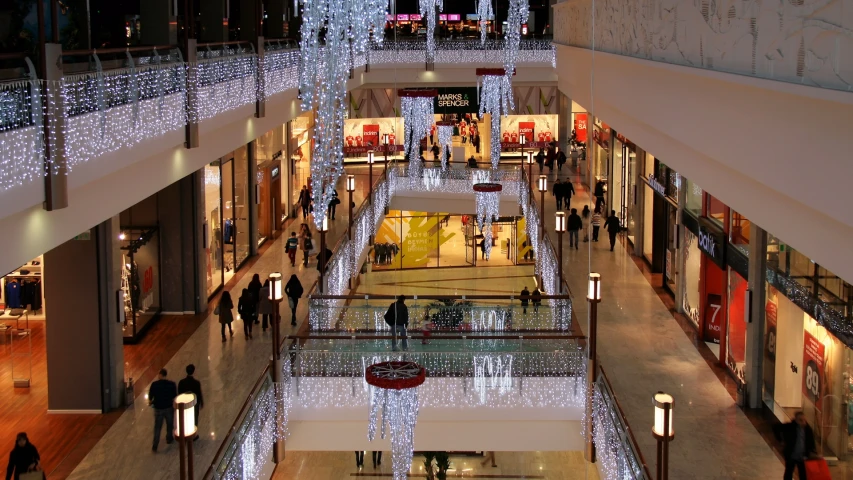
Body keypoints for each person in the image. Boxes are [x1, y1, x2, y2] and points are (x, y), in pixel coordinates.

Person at [774, 412, 817, 480]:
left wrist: (813, 452)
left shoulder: (808, 429)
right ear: (796, 420)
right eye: (800, 420)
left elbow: (811, 442)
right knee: (789, 473)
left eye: (804, 420)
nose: (803, 422)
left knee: (803, 475)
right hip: (791, 455)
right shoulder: (790, 427)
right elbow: (776, 427)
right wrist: (781, 440)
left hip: (803, 457)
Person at [149, 369, 177, 452]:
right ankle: (169, 438)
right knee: (169, 424)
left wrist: (151, 401)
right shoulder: (172, 384)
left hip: (158, 409)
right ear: (166, 375)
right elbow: (174, 395)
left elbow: (151, 397)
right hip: (168, 408)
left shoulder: (154, 385)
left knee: (157, 427)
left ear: (160, 375)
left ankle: (155, 444)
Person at [178, 364, 204, 441]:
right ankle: (193, 435)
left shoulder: (181, 382)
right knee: (194, 419)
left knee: (185, 419)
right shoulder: (196, 383)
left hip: (185, 404)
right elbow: (199, 394)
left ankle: (185, 433)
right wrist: (201, 403)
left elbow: (179, 394)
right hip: (194, 404)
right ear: (193, 372)